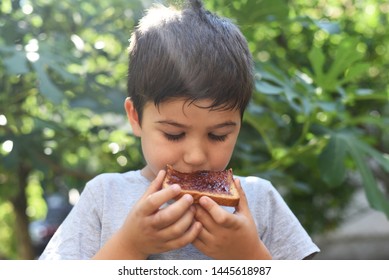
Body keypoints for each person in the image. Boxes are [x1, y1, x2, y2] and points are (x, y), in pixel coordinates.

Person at [39, 0, 319, 260]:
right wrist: (129, 245)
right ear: (135, 118)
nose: (196, 156)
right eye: (174, 134)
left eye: (218, 134)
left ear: (238, 125)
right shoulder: (103, 195)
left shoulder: (261, 200)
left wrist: (250, 255)